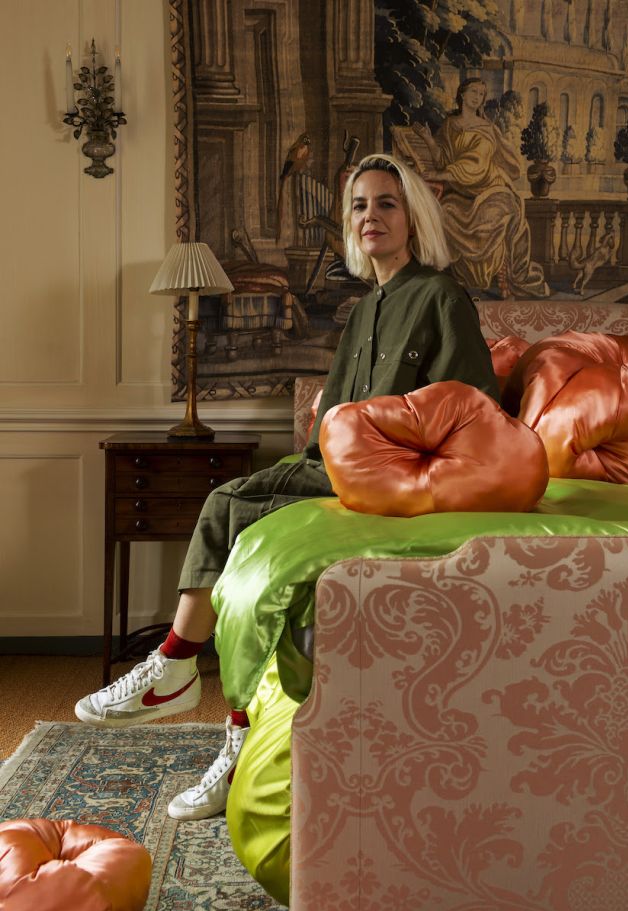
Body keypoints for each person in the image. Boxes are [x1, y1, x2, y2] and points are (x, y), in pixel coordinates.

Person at [75, 153, 499, 821]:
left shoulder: (440, 298)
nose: (370, 216)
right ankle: (187, 681)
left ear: (413, 215)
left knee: (234, 515)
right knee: (228, 506)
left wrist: (408, 473)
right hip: (327, 462)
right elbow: (335, 414)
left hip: (384, 478)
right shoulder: (361, 311)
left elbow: (471, 407)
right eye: (359, 205)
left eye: (386, 203)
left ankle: (184, 676)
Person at [414, 78, 549, 299]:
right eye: (473, 92)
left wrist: (440, 175)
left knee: (492, 218)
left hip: (492, 191)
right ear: (462, 95)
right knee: (444, 213)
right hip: (461, 193)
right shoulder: (450, 126)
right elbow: (443, 160)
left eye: (481, 94)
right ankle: (458, 282)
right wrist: (429, 141)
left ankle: (495, 280)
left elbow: (476, 165)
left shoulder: (486, 129)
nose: (477, 97)